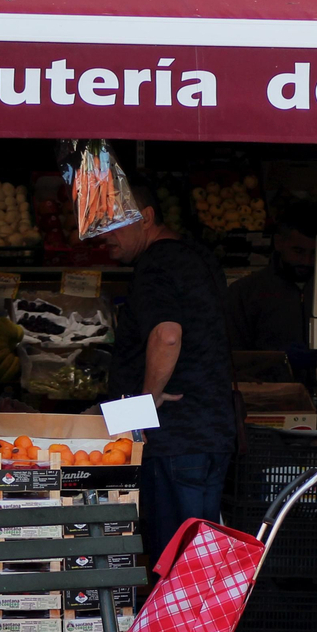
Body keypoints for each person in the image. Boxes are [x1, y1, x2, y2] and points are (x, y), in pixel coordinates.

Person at [102, 185, 237, 563]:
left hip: (175, 440)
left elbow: (167, 335)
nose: (104, 235)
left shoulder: (156, 264)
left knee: (174, 561)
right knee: (197, 560)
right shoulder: (197, 258)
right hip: (208, 433)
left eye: (113, 223)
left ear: (146, 217)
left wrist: (146, 402)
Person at [226, 200, 317, 354]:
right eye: (298, 251)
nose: (306, 261)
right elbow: (234, 356)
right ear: (279, 242)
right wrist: (274, 359)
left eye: (314, 253)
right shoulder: (244, 293)